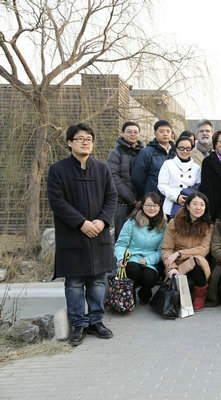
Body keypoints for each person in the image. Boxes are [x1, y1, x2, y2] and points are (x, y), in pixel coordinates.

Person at [47, 123, 117, 346]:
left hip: (99, 234)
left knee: (98, 281)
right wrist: (81, 223)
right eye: (80, 138)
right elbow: (57, 202)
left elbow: (111, 197)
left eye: (89, 138)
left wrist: (101, 221)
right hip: (73, 235)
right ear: (69, 142)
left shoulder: (102, 169)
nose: (86, 142)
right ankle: (78, 323)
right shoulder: (58, 170)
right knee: (75, 282)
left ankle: (96, 321)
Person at [161, 191, 213, 311]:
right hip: (176, 264)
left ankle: (200, 296)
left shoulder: (209, 227)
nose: (198, 208)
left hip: (195, 262)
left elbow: (203, 249)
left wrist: (179, 254)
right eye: (195, 204)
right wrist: (172, 267)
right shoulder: (174, 223)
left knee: (196, 261)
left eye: (202, 204)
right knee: (180, 286)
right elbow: (167, 248)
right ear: (188, 206)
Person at [114, 192, 167, 305]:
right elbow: (121, 244)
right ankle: (129, 294)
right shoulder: (132, 222)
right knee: (133, 269)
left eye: (155, 205)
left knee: (149, 276)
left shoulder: (164, 225)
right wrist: (120, 259)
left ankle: (145, 292)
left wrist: (148, 260)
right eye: (148, 205)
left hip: (150, 260)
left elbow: (162, 250)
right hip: (131, 257)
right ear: (142, 206)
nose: (151, 208)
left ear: (160, 207)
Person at [106, 121, 144, 242]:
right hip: (122, 202)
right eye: (129, 132)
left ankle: (135, 261)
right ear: (123, 133)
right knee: (122, 237)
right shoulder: (115, 152)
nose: (132, 134)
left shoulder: (143, 152)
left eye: (135, 132)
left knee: (139, 238)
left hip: (141, 203)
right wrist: (132, 199)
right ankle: (122, 261)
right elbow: (113, 178)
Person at [157, 135, 202, 217]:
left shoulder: (196, 167)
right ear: (176, 148)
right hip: (170, 206)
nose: (185, 151)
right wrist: (176, 197)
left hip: (189, 206)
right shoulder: (168, 164)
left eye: (188, 148)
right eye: (181, 148)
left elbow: (198, 187)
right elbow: (162, 185)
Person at [132, 120, 175, 199]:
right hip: (153, 200)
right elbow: (138, 179)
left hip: (173, 198)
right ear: (155, 134)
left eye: (168, 131)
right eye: (161, 131)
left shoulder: (176, 152)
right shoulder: (146, 152)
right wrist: (147, 196)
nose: (165, 134)